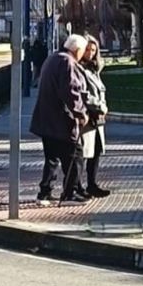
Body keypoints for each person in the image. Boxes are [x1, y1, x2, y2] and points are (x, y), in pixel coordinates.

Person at [30, 32, 89, 205]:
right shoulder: (67, 62)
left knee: (52, 158)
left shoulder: (53, 58)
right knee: (74, 155)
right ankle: (69, 193)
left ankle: (45, 192)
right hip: (60, 120)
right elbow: (70, 91)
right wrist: (80, 113)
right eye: (83, 51)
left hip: (45, 119)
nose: (82, 55)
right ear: (76, 49)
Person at [79, 39, 110, 197]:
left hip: (97, 118)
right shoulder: (80, 69)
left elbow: (100, 90)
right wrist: (100, 106)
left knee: (96, 150)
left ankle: (92, 184)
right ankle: (77, 186)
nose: (90, 53)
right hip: (87, 116)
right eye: (87, 50)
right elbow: (85, 94)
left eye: (93, 50)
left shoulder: (94, 69)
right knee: (84, 152)